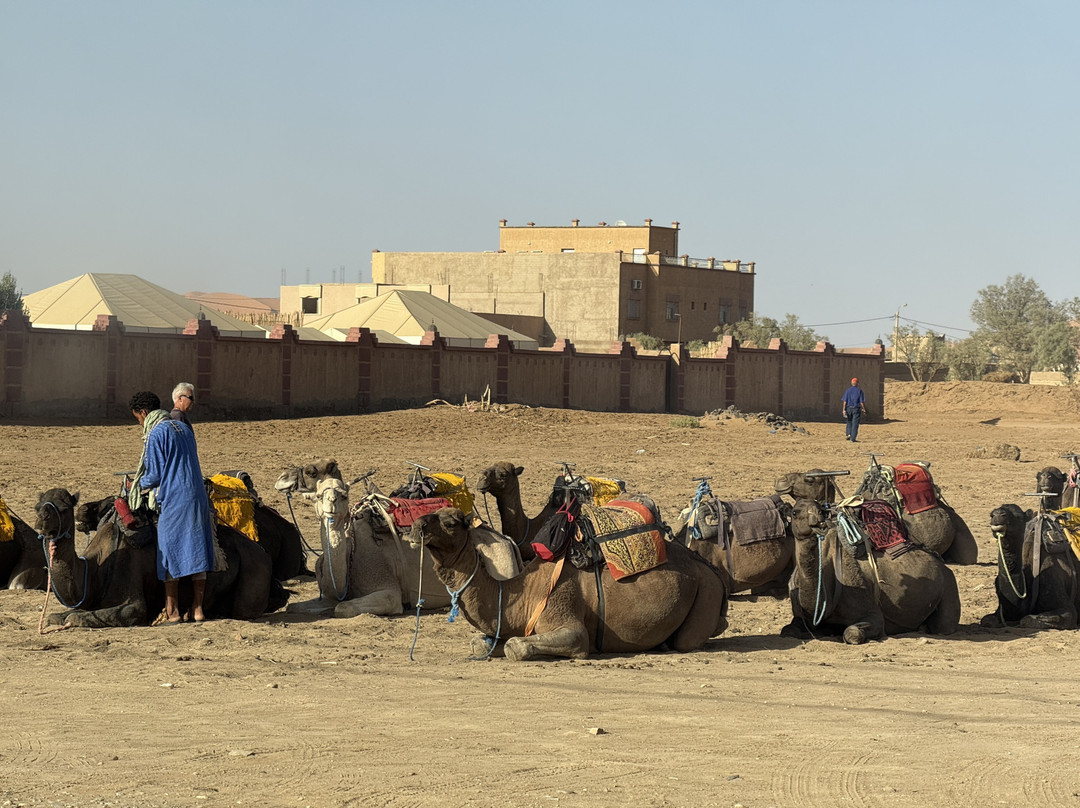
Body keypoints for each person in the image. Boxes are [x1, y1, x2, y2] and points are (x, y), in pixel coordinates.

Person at [129, 390, 216, 625]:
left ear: (144, 413)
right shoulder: (184, 428)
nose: (140, 423)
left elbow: (154, 475)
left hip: (175, 498)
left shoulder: (156, 433)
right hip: (197, 495)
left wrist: (134, 484)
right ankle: (198, 611)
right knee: (197, 547)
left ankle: (172, 612)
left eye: (138, 418)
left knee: (168, 552)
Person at [841, 377, 867, 443]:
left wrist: (844, 410)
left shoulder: (848, 390)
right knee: (855, 423)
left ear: (851, 383)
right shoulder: (859, 391)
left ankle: (848, 434)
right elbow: (861, 402)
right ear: (857, 383)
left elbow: (845, 401)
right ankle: (853, 438)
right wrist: (864, 409)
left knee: (849, 421)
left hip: (848, 408)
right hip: (856, 409)